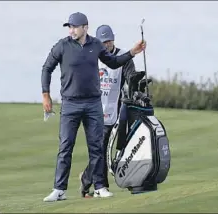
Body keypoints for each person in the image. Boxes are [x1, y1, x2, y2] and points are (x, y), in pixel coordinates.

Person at [42, 12, 146, 202]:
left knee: (96, 147)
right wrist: (45, 95)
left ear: (85, 28)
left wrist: (132, 52)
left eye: (74, 27)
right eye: (70, 27)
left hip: (92, 103)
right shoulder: (62, 45)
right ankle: (59, 189)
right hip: (70, 103)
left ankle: (100, 187)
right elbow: (47, 68)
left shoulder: (95, 45)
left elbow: (113, 62)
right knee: (65, 146)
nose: (71, 30)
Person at [79, 25, 136, 198]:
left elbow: (131, 77)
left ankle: (87, 180)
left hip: (115, 112)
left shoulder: (123, 57)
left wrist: (136, 85)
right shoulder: (91, 57)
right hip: (94, 112)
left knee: (103, 149)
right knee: (101, 149)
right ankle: (99, 186)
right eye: (103, 42)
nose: (106, 45)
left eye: (109, 41)